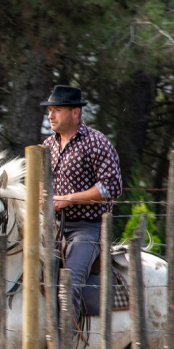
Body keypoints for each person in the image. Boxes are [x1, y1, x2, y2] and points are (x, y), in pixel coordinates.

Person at [41, 85, 122, 324]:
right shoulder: (47, 146)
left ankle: (66, 347)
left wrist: (68, 199)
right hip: (52, 227)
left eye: (57, 110)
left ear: (75, 113)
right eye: (50, 110)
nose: (50, 115)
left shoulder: (96, 142)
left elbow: (111, 187)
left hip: (87, 228)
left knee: (69, 284)